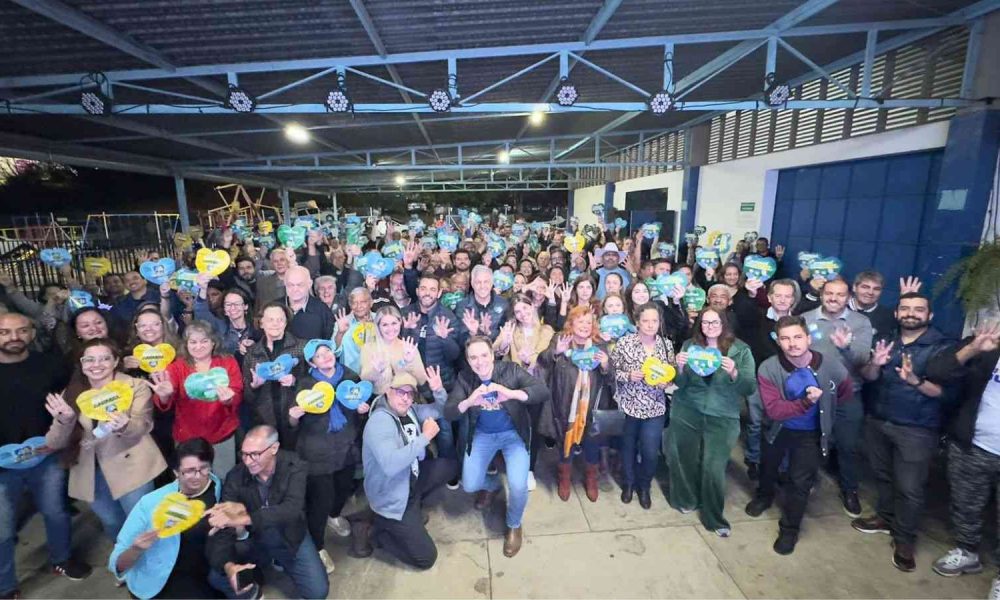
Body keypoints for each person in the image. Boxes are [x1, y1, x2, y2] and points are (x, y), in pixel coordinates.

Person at [851, 292, 954, 571]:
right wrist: (875, 364)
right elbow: (869, 376)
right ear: (897, 313)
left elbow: (944, 393)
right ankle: (885, 517)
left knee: (910, 487)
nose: (911, 313)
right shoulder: (886, 339)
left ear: (929, 316)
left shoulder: (942, 347)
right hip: (879, 419)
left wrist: (915, 380)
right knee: (882, 476)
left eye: (918, 309)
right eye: (905, 308)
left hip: (916, 428)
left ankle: (904, 538)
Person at [0, 313, 91, 598]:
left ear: (31, 333)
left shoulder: (50, 365)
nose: (14, 337)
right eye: (4, 332)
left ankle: (61, 560)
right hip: (1, 466)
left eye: (21, 330)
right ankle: (6, 586)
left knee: (56, 512)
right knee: (2, 529)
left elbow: (72, 398)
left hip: (46, 455)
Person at [745, 315, 852, 555]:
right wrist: (805, 402)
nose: (792, 343)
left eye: (797, 337)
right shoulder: (769, 367)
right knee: (768, 466)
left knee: (800, 482)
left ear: (808, 338)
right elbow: (774, 410)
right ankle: (764, 496)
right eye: (785, 338)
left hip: (810, 434)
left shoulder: (830, 364)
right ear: (778, 341)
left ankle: (790, 529)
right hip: (778, 429)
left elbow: (845, 391)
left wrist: (825, 408)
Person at [44, 338, 167, 540]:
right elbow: (54, 442)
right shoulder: (72, 393)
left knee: (142, 524)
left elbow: (143, 425)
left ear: (115, 361)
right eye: (89, 360)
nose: (97, 365)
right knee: (112, 523)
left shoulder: (134, 386)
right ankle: (125, 563)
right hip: (90, 471)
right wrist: (65, 421)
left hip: (132, 468)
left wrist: (125, 425)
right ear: (81, 365)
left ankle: (153, 568)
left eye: (104, 359)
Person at [445, 336, 550, 558]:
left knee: (519, 486)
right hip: (482, 435)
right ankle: (493, 486)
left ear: (493, 355)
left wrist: (511, 394)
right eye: (473, 357)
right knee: (470, 484)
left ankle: (514, 524)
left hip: (513, 435)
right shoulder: (465, 378)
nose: (480, 361)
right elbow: (450, 411)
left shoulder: (510, 370)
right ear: (468, 360)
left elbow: (541, 390)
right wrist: (469, 401)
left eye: (484, 355)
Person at [205, 425, 328, 600]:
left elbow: (291, 509)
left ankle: (273, 564)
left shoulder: (295, 466)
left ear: (274, 449)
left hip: (291, 537)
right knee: (216, 576)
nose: (248, 461)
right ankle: (254, 591)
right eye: (244, 454)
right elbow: (225, 527)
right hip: (256, 539)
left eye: (254, 454)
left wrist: (244, 517)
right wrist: (229, 566)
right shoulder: (236, 476)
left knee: (317, 593)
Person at [352, 370, 457, 569]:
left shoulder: (409, 410)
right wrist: (425, 438)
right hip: (391, 496)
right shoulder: (379, 422)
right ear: (387, 391)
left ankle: (413, 509)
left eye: (410, 394)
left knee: (451, 467)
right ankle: (376, 531)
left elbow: (443, 411)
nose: (406, 398)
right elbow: (391, 465)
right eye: (400, 391)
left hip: (411, 478)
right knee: (427, 558)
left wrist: (438, 391)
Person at [924, 323, 1000, 591]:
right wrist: (972, 349)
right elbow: (936, 371)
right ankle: (967, 552)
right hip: (973, 446)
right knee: (965, 506)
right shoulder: (986, 346)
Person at [669, 308, 756, 537]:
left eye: (715, 322)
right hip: (687, 409)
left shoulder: (740, 350)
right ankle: (688, 499)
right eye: (705, 322)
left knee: (713, 467)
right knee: (684, 459)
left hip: (723, 416)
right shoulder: (690, 345)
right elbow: (680, 382)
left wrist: (735, 372)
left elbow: (749, 387)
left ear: (724, 323)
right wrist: (678, 367)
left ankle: (714, 517)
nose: (710, 326)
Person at [109, 438, 223, 599]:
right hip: (160, 580)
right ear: (176, 472)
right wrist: (135, 550)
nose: (197, 476)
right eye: (189, 471)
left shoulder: (223, 493)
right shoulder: (150, 502)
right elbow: (117, 562)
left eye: (203, 469)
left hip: (203, 576)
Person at [290, 339, 365, 573]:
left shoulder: (350, 376)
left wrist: (363, 408)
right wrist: (294, 414)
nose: (326, 357)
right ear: (312, 362)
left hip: (345, 447)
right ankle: (318, 546)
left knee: (343, 488)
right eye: (319, 356)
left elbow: (359, 404)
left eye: (328, 352)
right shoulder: (305, 383)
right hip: (316, 450)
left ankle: (335, 515)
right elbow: (292, 421)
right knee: (319, 501)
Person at [802, 279, 873, 518]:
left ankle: (849, 490)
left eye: (840, 294)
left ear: (848, 296)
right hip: (813, 392)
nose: (834, 298)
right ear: (822, 294)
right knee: (809, 441)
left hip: (847, 393)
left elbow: (863, 359)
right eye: (829, 293)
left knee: (848, 445)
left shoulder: (860, 322)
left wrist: (846, 347)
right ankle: (807, 480)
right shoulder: (806, 319)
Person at [147, 321, 244, 476]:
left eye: (204, 341)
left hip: (222, 436)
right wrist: (163, 396)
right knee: (191, 485)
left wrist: (229, 399)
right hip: (188, 439)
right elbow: (164, 402)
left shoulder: (228, 362)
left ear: (213, 342)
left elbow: (237, 392)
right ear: (186, 345)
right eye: (193, 342)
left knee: (224, 482)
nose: (198, 346)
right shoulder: (176, 367)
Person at [538, 306, 612, 502]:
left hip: (592, 404)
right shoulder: (561, 339)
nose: (585, 326)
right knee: (565, 441)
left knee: (591, 442)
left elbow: (611, 377)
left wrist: (605, 364)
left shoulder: (600, 343)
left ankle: (591, 478)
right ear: (571, 323)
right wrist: (556, 351)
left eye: (589, 322)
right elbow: (542, 361)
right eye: (580, 322)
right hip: (564, 403)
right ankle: (564, 477)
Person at [610, 303, 675, 509]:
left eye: (654, 321)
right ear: (637, 322)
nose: (650, 325)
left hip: (655, 406)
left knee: (649, 450)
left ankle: (644, 486)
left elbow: (671, 373)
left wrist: (667, 383)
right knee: (628, 447)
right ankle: (628, 484)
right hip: (629, 405)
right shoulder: (625, 343)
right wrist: (628, 375)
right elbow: (612, 372)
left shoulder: (666, 345)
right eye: (645, 320)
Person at [494, 293, 556, 489]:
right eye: (517, 311)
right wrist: (504, 341)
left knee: (533, 431)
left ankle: (529, 469)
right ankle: (516, 463)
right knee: (516, 428)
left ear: (533, 306)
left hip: (538, 387)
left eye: (525, 308)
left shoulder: (546, 330)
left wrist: (530, 360)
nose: (522, 314)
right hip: (515, 387)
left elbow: (547, 358)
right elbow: (497, 351)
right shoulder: (511, 329)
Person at [400, 273, 462, 463]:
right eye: (424, 288)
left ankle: (446, 465)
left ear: (439, 292)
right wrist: (406, 329)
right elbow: (396, 348)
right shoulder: (405, 314)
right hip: (413, 383)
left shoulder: (448, 317)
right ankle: (418, 465)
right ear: (417, 291)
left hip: (441, 382)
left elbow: (455, 355)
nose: (427, 293)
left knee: (444, 426)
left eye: (432, 289)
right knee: (411, 425)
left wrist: (445, 339)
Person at [743, 278, 800, 480]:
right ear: (769, 297)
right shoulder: (757, 319)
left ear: (793, 299)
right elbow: (743, 312)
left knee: (784, 424)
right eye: (778, 295)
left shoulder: (799, 323)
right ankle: (754, 459)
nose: (783, 300)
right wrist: (749, 294)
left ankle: (782, 467)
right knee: (755, 423)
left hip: (789, 383)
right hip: (760, 380)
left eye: (787, 296)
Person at [242, 303, 306, 444]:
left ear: (286, 323)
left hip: (297, 422)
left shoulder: (302, 348)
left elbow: (312, 384)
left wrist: (295, 381)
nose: (275, 324)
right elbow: (247, 398)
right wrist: (254, 386)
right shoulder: (252, 354)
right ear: (261, 323)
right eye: (270, 319)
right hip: (265, 424)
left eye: (280, 319)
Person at [359, 306, 426, 396]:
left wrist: (409, 363)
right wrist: (376, 370)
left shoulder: (408, 347)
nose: (390, 328)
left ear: (400, 323)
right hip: (382, 400)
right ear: (378, 326)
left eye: (394, 323)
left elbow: (422, 380)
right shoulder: (368, 348)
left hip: (408, 398)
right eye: (385, 325)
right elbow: (364, 379)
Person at [457, 265, 509, 340]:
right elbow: (460, 341)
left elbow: (506, 336)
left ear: (492, 283)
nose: (482, 286)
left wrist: (489, 333)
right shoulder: (462, 306)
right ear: (472, 283)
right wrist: (473, 333)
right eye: (478, 282)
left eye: (486, 282)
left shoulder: (503, 304)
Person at [284, 266, 334, 341]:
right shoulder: (274, 308)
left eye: (299, 285)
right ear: (285, 284)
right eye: (291, 285)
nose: (295, 289)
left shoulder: (323, 310)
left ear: (309, 284)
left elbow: (328, 342)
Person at [333, 287, 376, 374]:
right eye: (354, 303)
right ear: (350, 304)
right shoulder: (342, 322)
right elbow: (335, 352)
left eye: (363, 302)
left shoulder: (380, 320)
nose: (358, 306)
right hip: (350, 375)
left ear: (371, 303)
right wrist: (340, 333)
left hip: (376, 373)